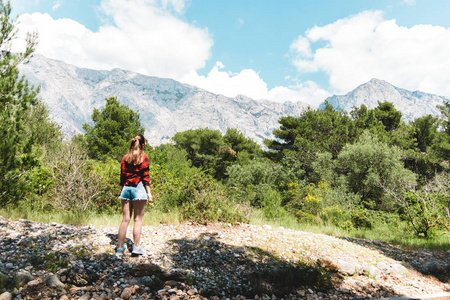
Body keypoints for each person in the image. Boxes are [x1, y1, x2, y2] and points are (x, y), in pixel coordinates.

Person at [116, 134, 153, 258]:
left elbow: (122, 176)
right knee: (137, 220)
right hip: (139, 189)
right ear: (143, 145)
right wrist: (149, 193)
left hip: (126, 189)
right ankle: (136, 247)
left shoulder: (125, 158)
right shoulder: (144, 158)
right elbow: (145, 177)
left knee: (125, 219)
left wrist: (122, 190)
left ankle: (120, 248)